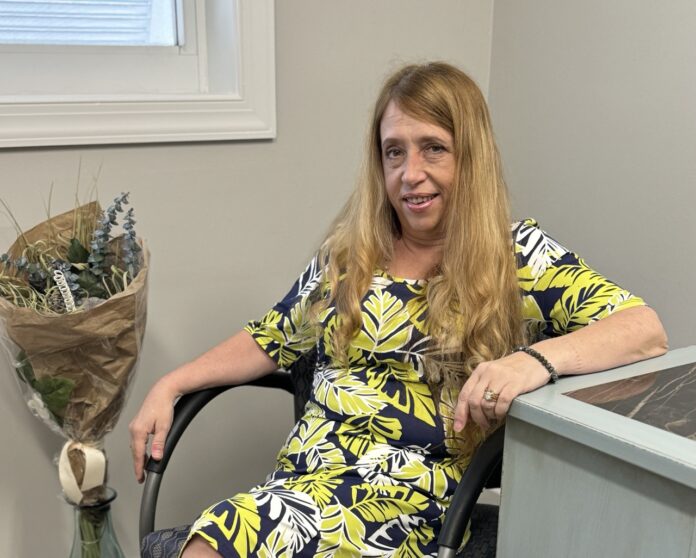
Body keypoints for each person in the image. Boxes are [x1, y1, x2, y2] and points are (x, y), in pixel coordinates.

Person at [130, 62, 668, 557]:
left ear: (470, 156)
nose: (410, 173)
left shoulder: (517, 256)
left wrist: (530, 362)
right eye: (394, 151)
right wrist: (171, 383)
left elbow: (643, 329)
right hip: (300, 484)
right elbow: (271, 338)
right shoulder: (350, 256)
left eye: (433, 148)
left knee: (211, 545)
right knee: (225, 537)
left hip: (409, 503)